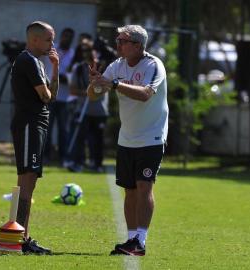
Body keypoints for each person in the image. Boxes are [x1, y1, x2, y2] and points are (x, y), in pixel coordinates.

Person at [88, 25, 168, 256]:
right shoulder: (117, 65)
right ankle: (131, 239)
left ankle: (141, 241)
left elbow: (144, 94)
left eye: (123, 40)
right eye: (117, 40)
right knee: (129, 191)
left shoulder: (153, 65)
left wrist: (111, 84)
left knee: (144, 187)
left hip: (151, 137)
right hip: (127, 139)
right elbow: (93, 95)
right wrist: (95, 83)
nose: (118, 44)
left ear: (137, 45)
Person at [10, 21, 59, 254]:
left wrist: (56, 67)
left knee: (31, 180)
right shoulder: (28, 60)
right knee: (26, 181)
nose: (52, 44)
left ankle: (22, 236)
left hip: (36, 123)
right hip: (29, 124)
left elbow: (52, 95)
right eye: (49, 39)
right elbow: (45, 95)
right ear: (35, 40)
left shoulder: (37, 62)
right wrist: (48, 90)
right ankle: (20, 238)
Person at [68, 40, 109, 173]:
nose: (87, 54)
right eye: (83, 51)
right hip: (82, 110)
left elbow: (106, 87)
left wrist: (94, 90)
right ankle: (78, 162)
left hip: (99, 110)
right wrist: (87, 92)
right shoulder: (78, 69)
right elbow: (73, 90)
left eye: (89, 50)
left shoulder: (103, 67)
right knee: (80, 137)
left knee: (97, 139)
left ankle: (97, 163)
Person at [41, 28, 75, 166]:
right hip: (50, 95)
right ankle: (46, 157)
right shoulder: (52, 50)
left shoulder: (73, 54)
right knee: (47, 128)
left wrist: (64, 77)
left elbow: (72, 75)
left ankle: (62, 158)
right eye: (64, 36)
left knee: (63, 129)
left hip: (65, 98)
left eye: (69, 37)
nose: (66, 39)